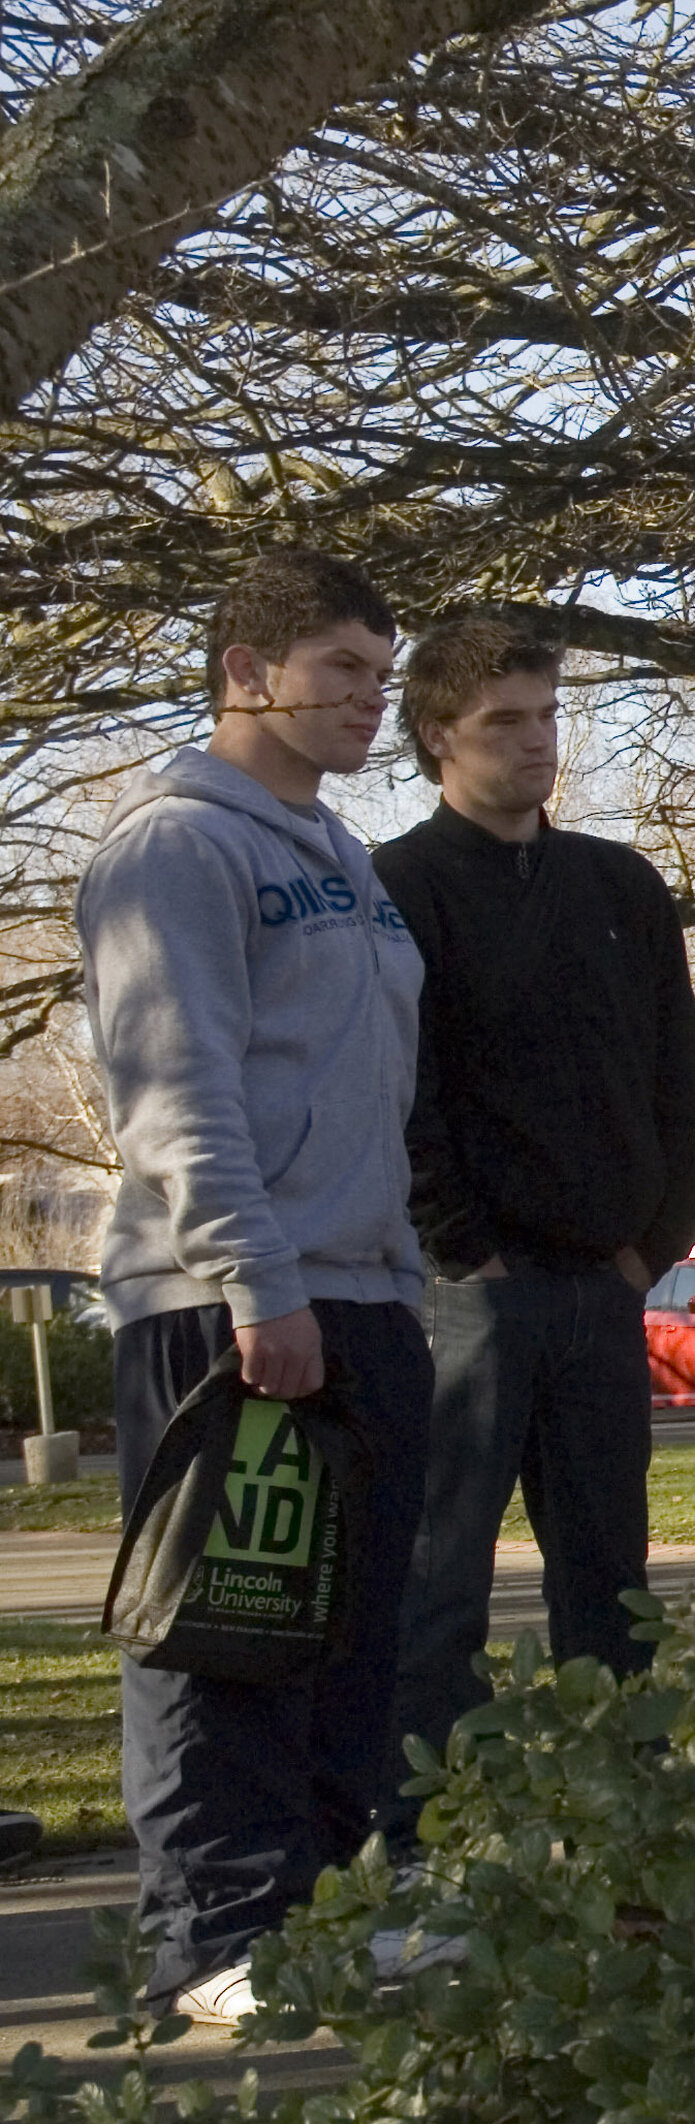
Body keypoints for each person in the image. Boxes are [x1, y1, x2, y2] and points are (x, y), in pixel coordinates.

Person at [77, 546, 435, 2023]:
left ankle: (325, 1914)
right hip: (229, 1298)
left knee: (348, 1627)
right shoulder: (175, 845)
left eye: (380, 670)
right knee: (224, 1619)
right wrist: (255, 1281)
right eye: (340, 668)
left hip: (363, 1290)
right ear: (246, 674)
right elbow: (176, 1089)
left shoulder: (342, 854)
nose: (369, 698)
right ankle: (216, 1935)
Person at [373, 610, 695, 1847]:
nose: (535, 742)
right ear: (436, 737)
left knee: (611, 1591)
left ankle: (621, 1844)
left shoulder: (620, 887)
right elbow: (400, 1093)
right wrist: (467, 1246)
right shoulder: (398, 887)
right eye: (502, 721)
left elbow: (682, 1083)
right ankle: (424, 1846)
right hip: (471, 1295)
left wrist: (652, 1246)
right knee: (436, 1590)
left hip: (604, 1288)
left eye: (547, 714)